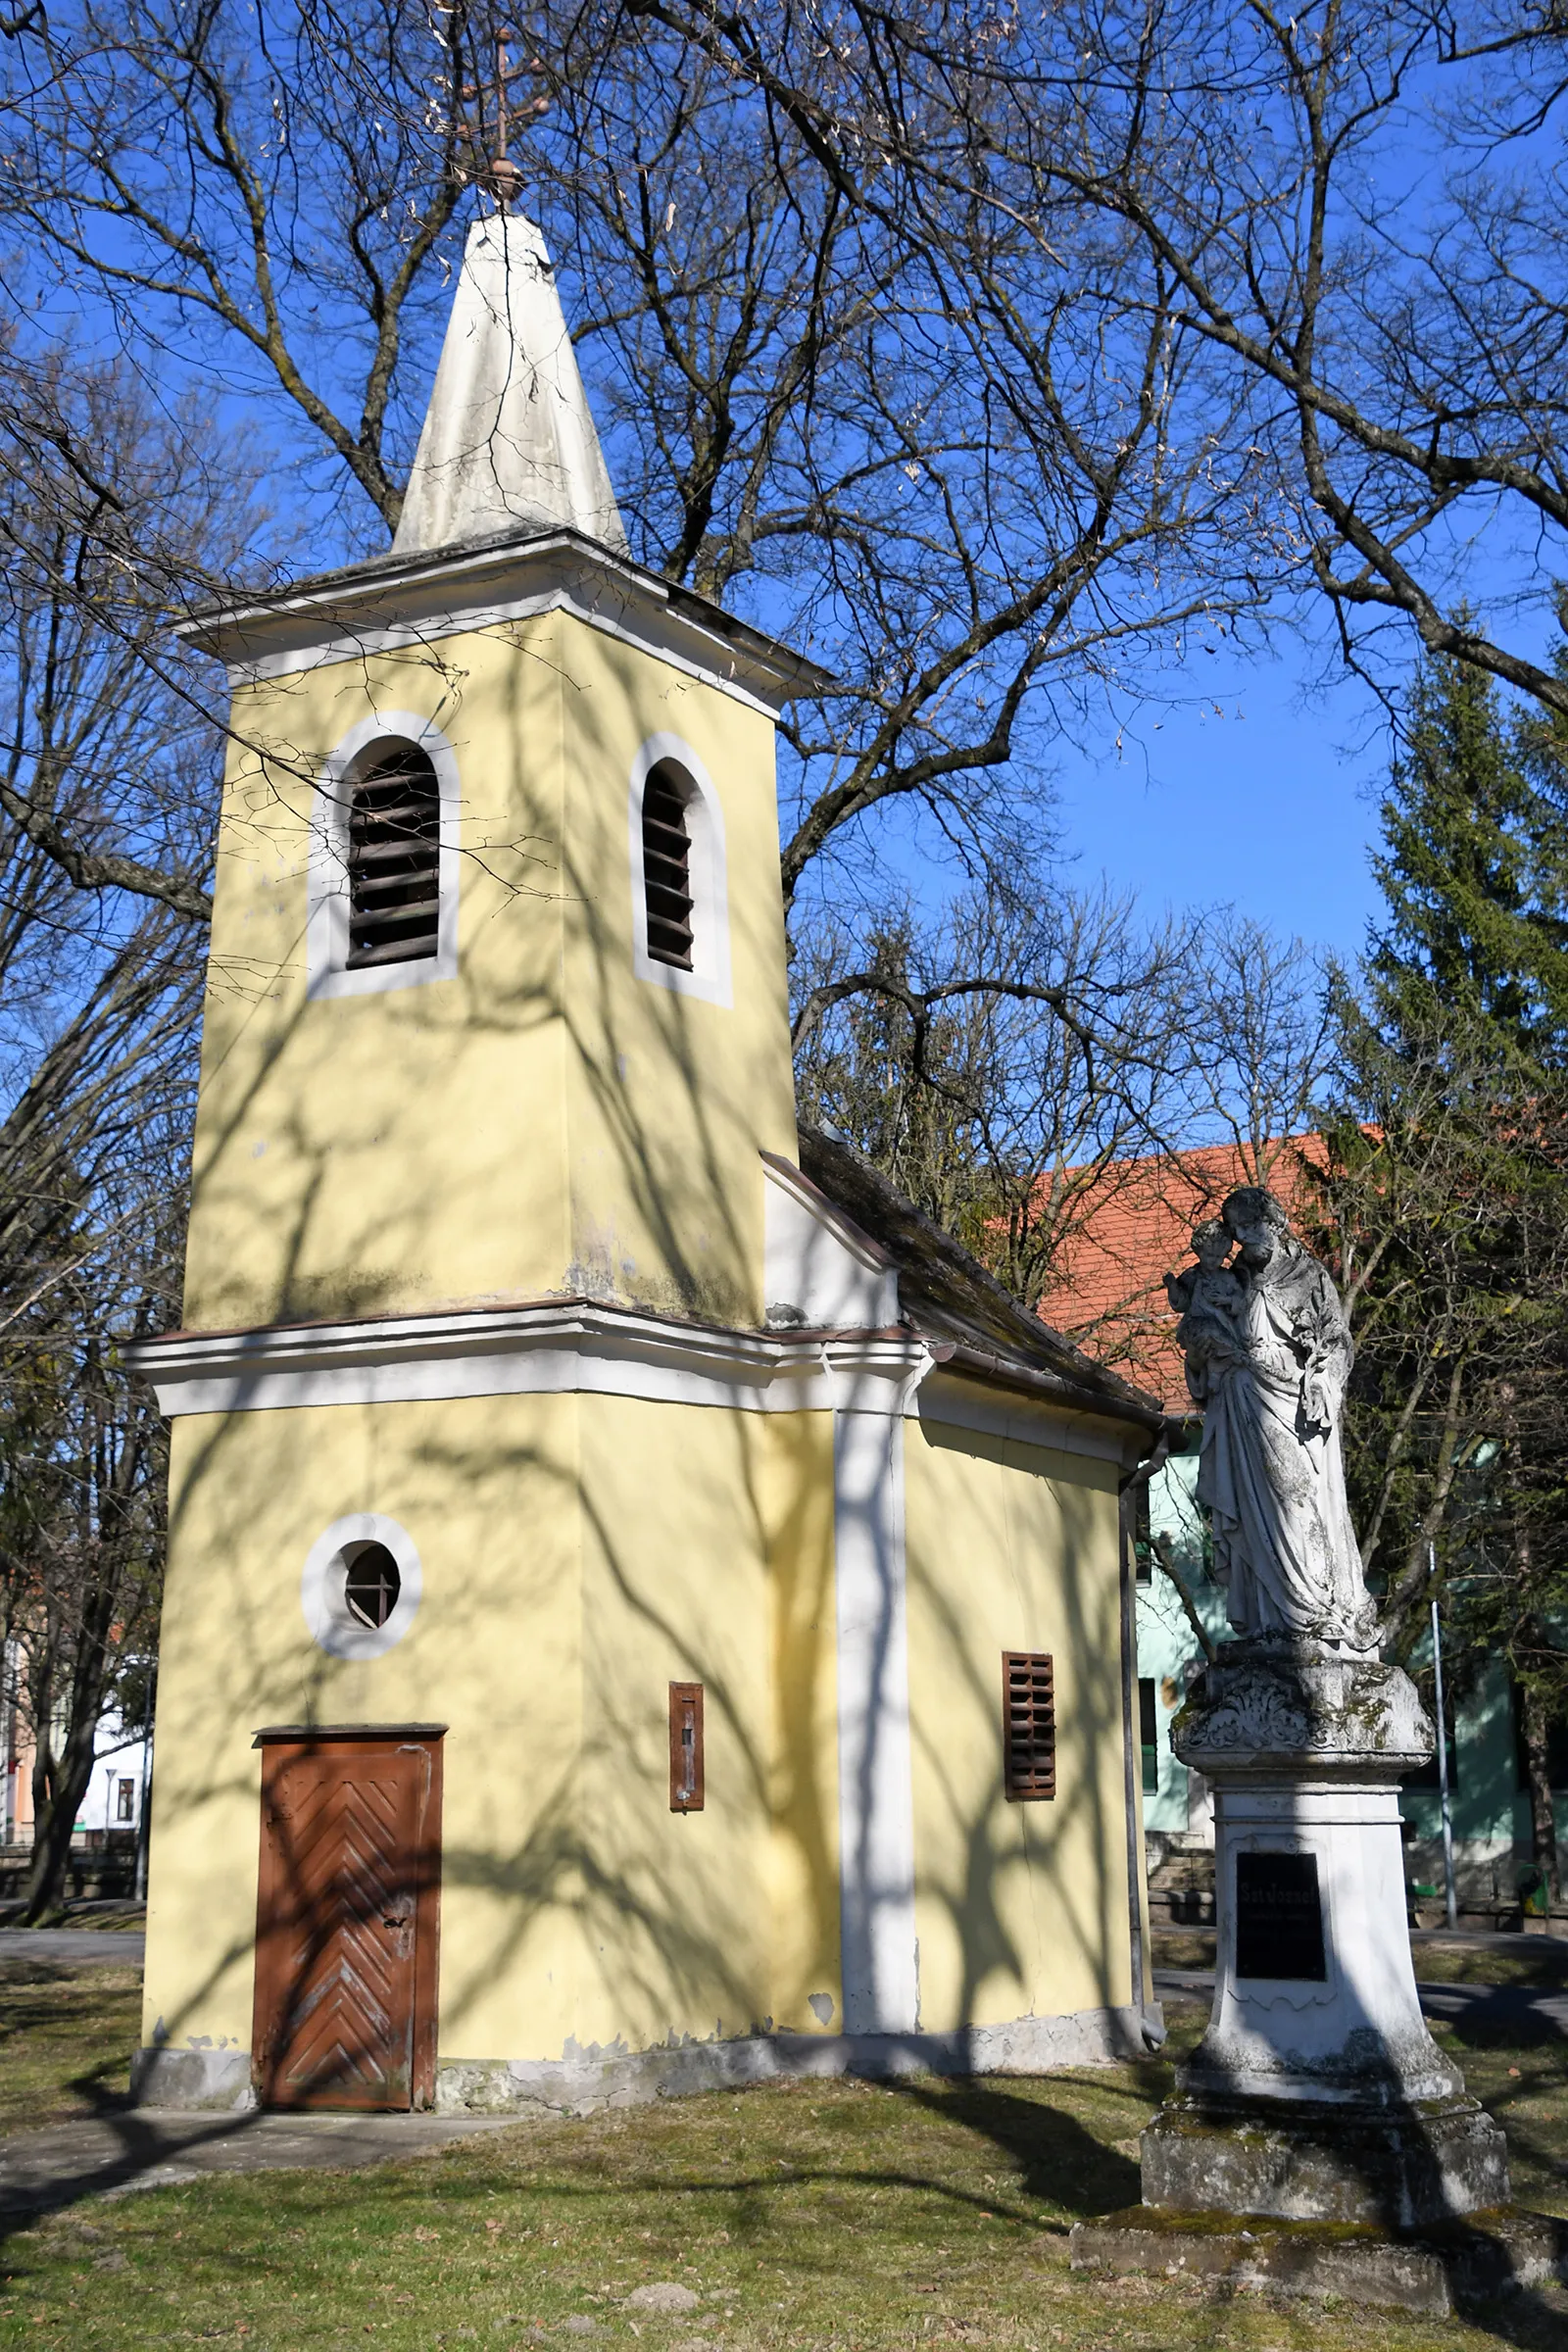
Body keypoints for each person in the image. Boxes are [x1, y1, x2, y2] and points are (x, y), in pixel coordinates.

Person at [1171, 1186, 1379, 1651]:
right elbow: (1200, 1339)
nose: (1242, 1240)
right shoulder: (1229, 1278)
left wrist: (1324, 1380)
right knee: (1251, 1512)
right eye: (1236, 1232)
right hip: (1241, 1403)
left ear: (1276, 1223)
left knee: (1298, 1499)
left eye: (1249, 1227)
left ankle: (1319, 1607)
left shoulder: (1307, 1276)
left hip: (1296, 1410)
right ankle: (1274, 1620)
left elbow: (1338, 1340)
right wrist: (1205, 1358)